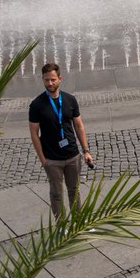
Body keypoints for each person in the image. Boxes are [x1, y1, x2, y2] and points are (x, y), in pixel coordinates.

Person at [27, 62, 93, 222]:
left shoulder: (70, 100)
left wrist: (85, 151)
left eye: (53, 80)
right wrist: (43, 160)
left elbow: (79, 125)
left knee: (74, 191)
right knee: (56, 194)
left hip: (72, 155)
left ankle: (78, 222)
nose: (50, 83)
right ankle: (61, 225)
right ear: (42, 79)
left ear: (60, 79)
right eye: (46, 80)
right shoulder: (37, 105)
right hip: (52, 158)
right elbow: (34, 134)